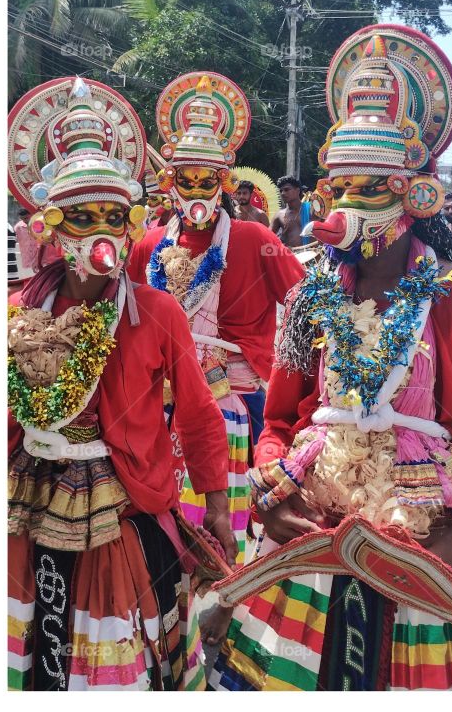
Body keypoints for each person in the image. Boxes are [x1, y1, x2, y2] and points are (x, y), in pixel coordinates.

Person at [210, 24, 452, 691]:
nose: (345, 211)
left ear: (415, 192)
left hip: (418, 540)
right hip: (311, 529)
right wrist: (268, 494)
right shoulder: (308, 299)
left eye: (368, 191)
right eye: (337, 191)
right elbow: (277, 422)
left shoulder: (448, 303)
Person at [7, 77, 234, 690]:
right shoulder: (18, 309)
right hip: (27, 495)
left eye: (113, 216)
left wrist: (217, 506)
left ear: (133, 222)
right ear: (51, 225)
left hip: (125, 502)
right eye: (82, 217)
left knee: (116, 652)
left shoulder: (157, 312)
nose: (100, 233)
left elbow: (198, 413)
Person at [127, 73, 305, 588]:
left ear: (224, 184)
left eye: (208, 182)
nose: (198, 192)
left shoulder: (253, 237)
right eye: (188, 181)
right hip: (160, 394)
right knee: (157, 512)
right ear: (171, 183)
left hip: (236, 389)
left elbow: (303, 303)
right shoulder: (149, 245)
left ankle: (230, 588)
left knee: (230, 519)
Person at [272, 174, 310, 247]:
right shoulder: (279, 215)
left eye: (286, 189)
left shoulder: (311, 209)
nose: (283, 193)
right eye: (281, 191)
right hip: (289, 256)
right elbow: (267, 236)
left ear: (298, 190)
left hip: (313, 255)